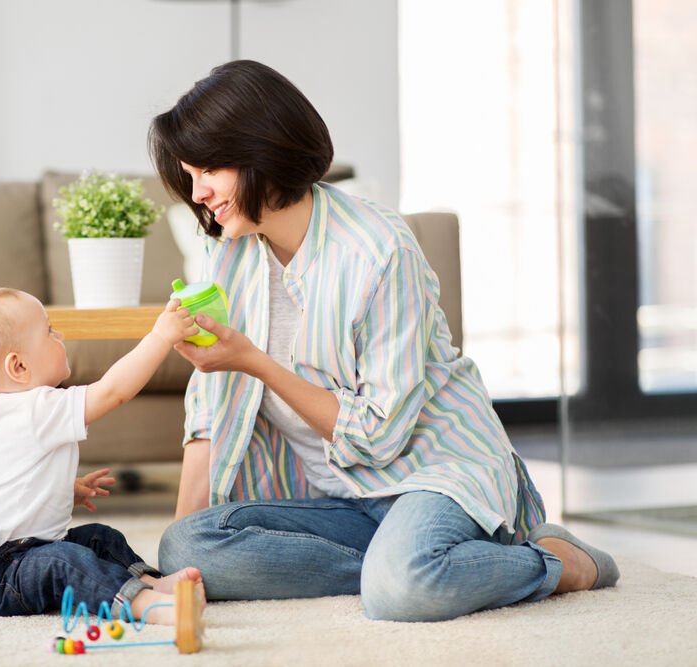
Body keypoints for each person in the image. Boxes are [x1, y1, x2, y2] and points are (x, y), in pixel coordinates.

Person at [149, 60, 619, 622]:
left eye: (209, 170)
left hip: (429, 474)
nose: (198, 193)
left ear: (260, 151)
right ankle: (421, 561)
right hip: (336, 500)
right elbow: (210, 411)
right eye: (190, 173)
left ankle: (559, 563)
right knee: (185, 547)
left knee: (402, 592)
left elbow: (380, 434)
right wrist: (170, 570)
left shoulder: (378, 249)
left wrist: (254, 362)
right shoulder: (227, 251)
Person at [0, 287, 204, 622]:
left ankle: (152, 582)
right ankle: (144, 606)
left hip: (9, 558)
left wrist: (66, 488)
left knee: (98, 537)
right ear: (18, 366)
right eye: (49, 331)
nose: (60, 334)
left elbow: (13, 479)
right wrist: (160, 337)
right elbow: (112, 391)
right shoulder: (34, 408)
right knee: (65, 560)